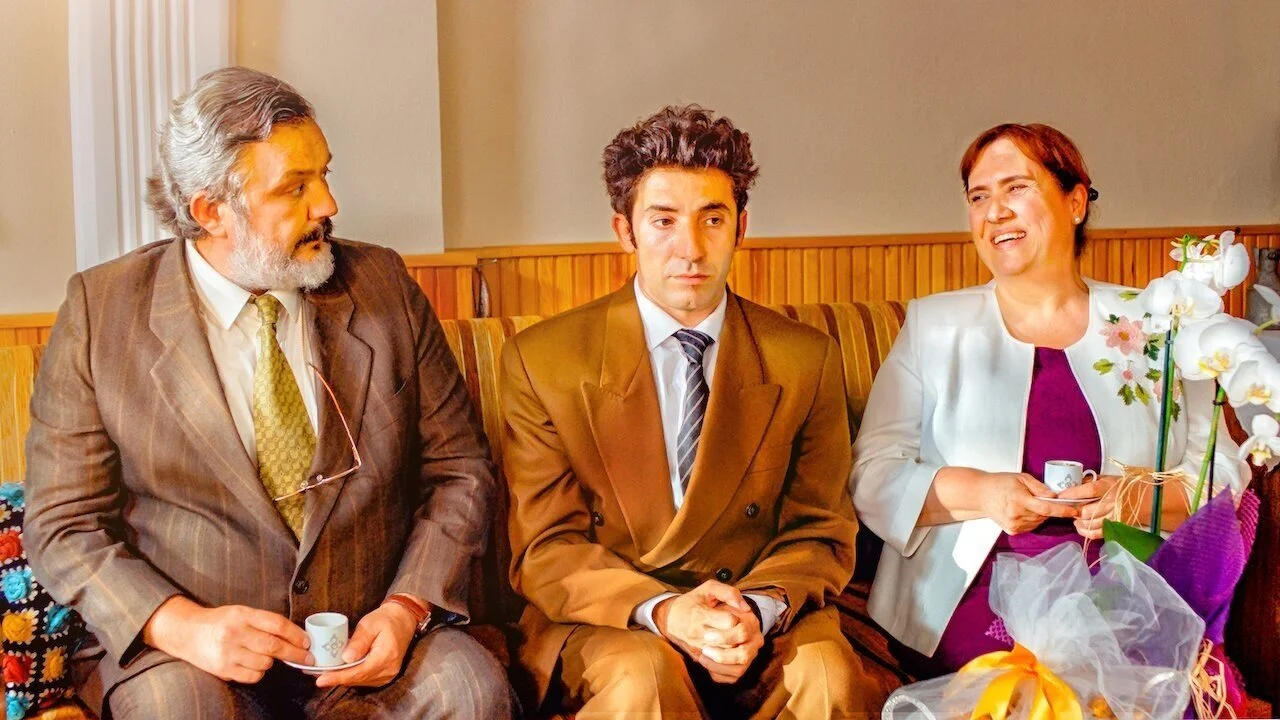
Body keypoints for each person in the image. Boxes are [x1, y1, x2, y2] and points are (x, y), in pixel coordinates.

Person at [23, 67, 512, 719]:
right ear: (210, 211)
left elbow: (460, 470)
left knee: (471, 691)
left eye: (324, 175)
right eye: (295, 187)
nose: (327, 205)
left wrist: (408, 605)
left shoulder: (383, 285)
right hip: (191, 656)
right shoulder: (102, 313)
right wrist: (180, 625)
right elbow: (63, 523)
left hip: (370, 636)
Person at [500, 104, 882, 718]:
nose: (691, 249)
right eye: (663, 221)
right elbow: (546, 547)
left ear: (741, 227)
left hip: (758, 609)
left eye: (713, 219)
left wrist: (753, 610)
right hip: (611, 618)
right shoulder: (543, 360)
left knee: (827, 676)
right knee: (643, 679)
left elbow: (821, 530)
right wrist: (666, 612)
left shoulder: (805, 358)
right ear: (624, 231)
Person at [849, 122, 1248, 673]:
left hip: (1127, 590)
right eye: (978, 197)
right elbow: (872, 474)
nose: (994, 212)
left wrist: (1136, 499)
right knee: (1031, 685)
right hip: (967, 593)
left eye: (1017, 188)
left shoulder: (1161, 319)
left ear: (1076, 202)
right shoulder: (933, 326)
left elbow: (1219, 470)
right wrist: (985, 493)